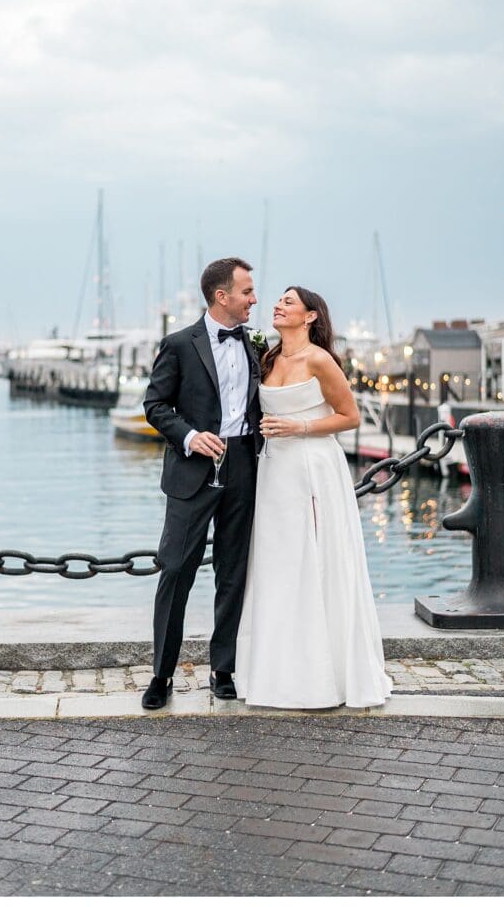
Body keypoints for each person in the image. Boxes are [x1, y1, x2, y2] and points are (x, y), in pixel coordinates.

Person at [235, 286, 392, 709]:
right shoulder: (267, 358)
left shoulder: (320, 360)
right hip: (274, 471)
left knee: (316, 561)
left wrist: (299, 427)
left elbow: (350, 416)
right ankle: (275, 673)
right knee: (278, 566)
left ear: (309, 316)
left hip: (313, 467)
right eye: (279, 300)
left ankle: (324, 675)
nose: (277, 305)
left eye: (288, 302)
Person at [141, 257, 264, 709]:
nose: (254, 299)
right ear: (221, 296)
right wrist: (191, 437)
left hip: (244, 465)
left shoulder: (256, 344)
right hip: (192, 470)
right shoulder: (178, 344)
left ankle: (223, 669)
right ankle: (161, 674)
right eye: (247, 292)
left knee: (233, 571)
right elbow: (155, 405)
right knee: (175, 569)